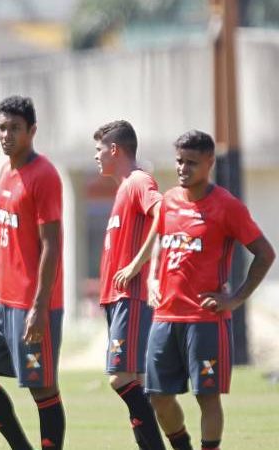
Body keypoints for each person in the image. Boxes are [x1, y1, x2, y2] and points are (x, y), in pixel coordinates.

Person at [145, 130, 274, 450]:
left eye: (191, 162)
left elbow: (265, 253)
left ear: (209, 163)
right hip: (165, 317)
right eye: (179, 161)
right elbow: (160, 240)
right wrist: (151, 277)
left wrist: (235, 299)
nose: (183, 168)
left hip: (205, 320)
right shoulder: (169, 200)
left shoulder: (227, 206)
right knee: (159, 397)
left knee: (207, 396)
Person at [0, 95, 66, 450]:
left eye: (15, 128)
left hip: (32, 303)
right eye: (2, 128)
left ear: (32, 131)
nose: (6, 135)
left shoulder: (45, 176)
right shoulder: (5, 172)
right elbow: (9, 240)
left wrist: (39, 307)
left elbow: (51, 245)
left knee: (42, 387)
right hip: (0, 301)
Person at [92, 120, 167, 450]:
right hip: (117, 298)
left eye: (98, 150)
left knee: (120, 378)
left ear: (114, 149)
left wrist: (139, 266)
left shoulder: (138, 180)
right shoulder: (123, 188)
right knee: (133, 380)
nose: (96, 157)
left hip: (131, 297)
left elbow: (164, 213)